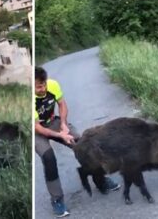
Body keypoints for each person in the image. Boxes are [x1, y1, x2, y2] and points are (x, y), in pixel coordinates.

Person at [34, 67, 120, 217]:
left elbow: (62, 104)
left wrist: (63, 124)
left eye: (43, 85)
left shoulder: (52, 85)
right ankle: (57, 200)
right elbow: (37, 128)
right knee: (48, 158)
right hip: (36, 131)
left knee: (83, 145)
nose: (41, 89)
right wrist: (60, 135)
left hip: (53, 122)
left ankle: (100, 181)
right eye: (37, 87)